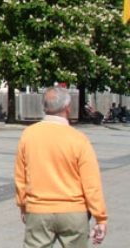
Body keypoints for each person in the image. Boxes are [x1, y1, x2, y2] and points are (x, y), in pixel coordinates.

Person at [14, 86, 108, 247]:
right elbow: (91, 184)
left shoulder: (28, 135)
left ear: (44, 107)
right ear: (67, 107)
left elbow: (20, 177)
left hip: (38, 209)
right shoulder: (78, 139)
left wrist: (23, 205)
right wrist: (100, 217)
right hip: (73, 210)